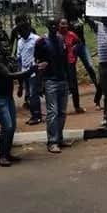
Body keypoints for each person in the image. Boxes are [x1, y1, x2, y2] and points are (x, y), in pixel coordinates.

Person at [0, 46, 31, 167]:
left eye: (7, 46)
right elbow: (9, 75)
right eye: (4, 47)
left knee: (12, 126)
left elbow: (16, 72)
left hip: (7, 97)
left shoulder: (8, 60)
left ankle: (7, 153)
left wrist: (21, 84)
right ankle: (2, 155)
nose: (7, 48)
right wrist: (30, 71)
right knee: (7, 126)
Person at [34, 18, 72, 153]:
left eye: (56, 25)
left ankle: (59, 137)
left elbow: (66, 60)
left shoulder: (62, 40)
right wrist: (39, 83)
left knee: (62, 112)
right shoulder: (41, 42)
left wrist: (70, 79)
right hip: (50, 81)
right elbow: (37, 64)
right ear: (47, 26)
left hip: (63, 79)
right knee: (53, 112)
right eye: (51, 25)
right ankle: (52, 141)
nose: (54, 27)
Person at [65, 0, 100, 105]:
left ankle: (99, 89)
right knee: (71, 71)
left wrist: (85, 2)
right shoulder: (66, 19)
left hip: (82, 45)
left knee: (90, 66)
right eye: (74, 5)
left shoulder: (80, 15)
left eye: (77, 5)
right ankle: (73, 93)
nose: (77, 7)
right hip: (71, 47)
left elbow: (86, 11)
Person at [16, 19, 42, 125]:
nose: (21, 34)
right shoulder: (20, 41)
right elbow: (19, 57)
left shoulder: (36, 39)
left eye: (22, 31)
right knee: (28, 95)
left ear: (27, 30)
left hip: (34, 71)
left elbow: (41, 54)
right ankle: (33, 115)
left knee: (33, 94)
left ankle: (37, 115)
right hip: (24, 71)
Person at [56, 19, 86, 114]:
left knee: (73, 85)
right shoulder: (56, 35)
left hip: (70, 62)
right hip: (59, 64)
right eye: (62, 24)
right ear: (58, 25)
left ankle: (77, 106)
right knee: (60, 85)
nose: (64, 26)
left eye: (66, 24)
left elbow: (79, 43)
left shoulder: (71, 34)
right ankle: (59, 108)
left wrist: (75, 49)